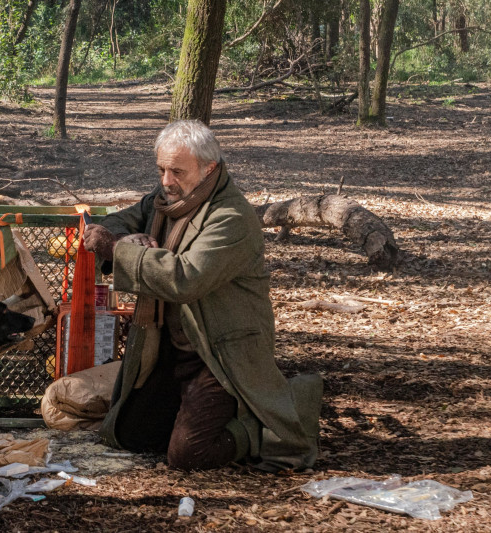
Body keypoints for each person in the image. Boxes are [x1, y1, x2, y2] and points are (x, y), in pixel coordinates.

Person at [83, 119, 322, 472]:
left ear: (209, 168)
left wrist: (113, 248)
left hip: (219, 353)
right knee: (129, 434)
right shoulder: (167, 200)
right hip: (170, 346)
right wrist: (122, 238)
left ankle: (278, 419)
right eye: (161, 169)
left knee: (188, 455)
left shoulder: (232, 216)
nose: (166, 181)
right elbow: (119, 220)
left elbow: (184, 278)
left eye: (177, 171)